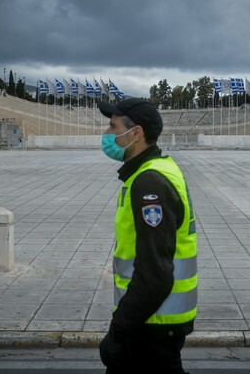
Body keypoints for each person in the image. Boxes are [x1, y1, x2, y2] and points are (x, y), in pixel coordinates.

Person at [97, 98, 197, 374]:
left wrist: (118, 330)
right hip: (152, 321)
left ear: (136, 133)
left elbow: (154, 274)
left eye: (112, 126)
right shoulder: (152, 171)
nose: (107, 133)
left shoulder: (149, 181)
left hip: (151, 326)